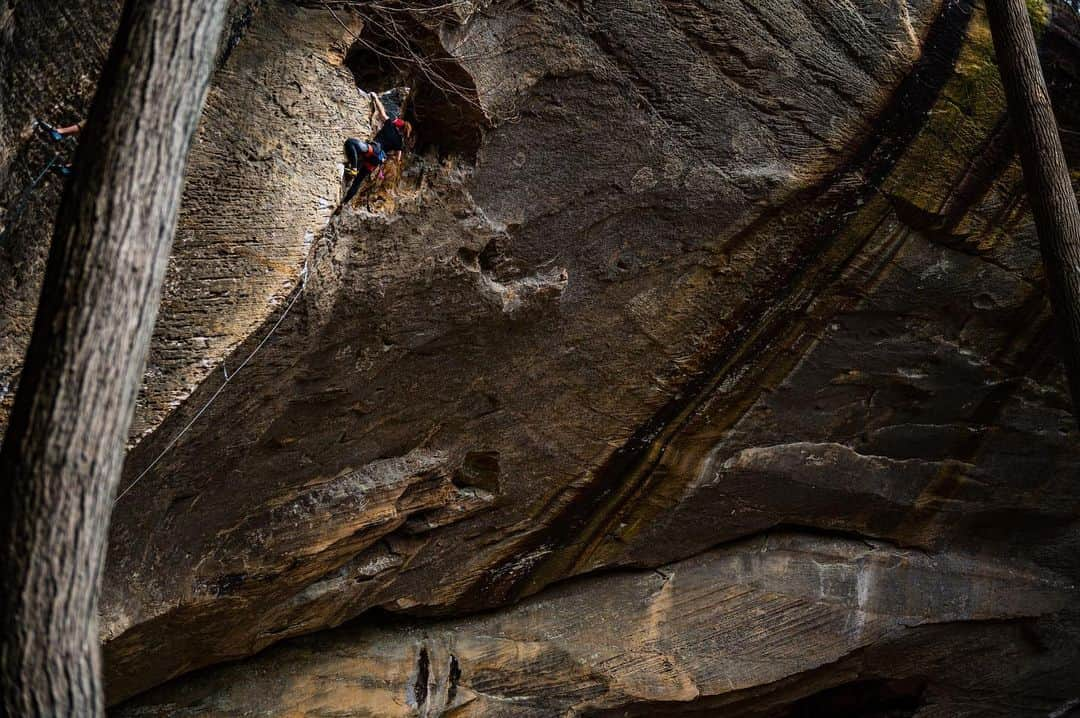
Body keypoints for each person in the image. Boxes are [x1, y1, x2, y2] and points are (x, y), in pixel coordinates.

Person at [341, 93, 414, 205]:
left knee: (351, 143)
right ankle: (344, 203)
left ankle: (354, 168)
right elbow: (398, 159)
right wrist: (389, 156)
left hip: (373, 149)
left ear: (399, 125)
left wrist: (375, 98)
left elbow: (381, 112)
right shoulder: (399, 143)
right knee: (358, 181)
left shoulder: (390, 125)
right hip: (377, 160)